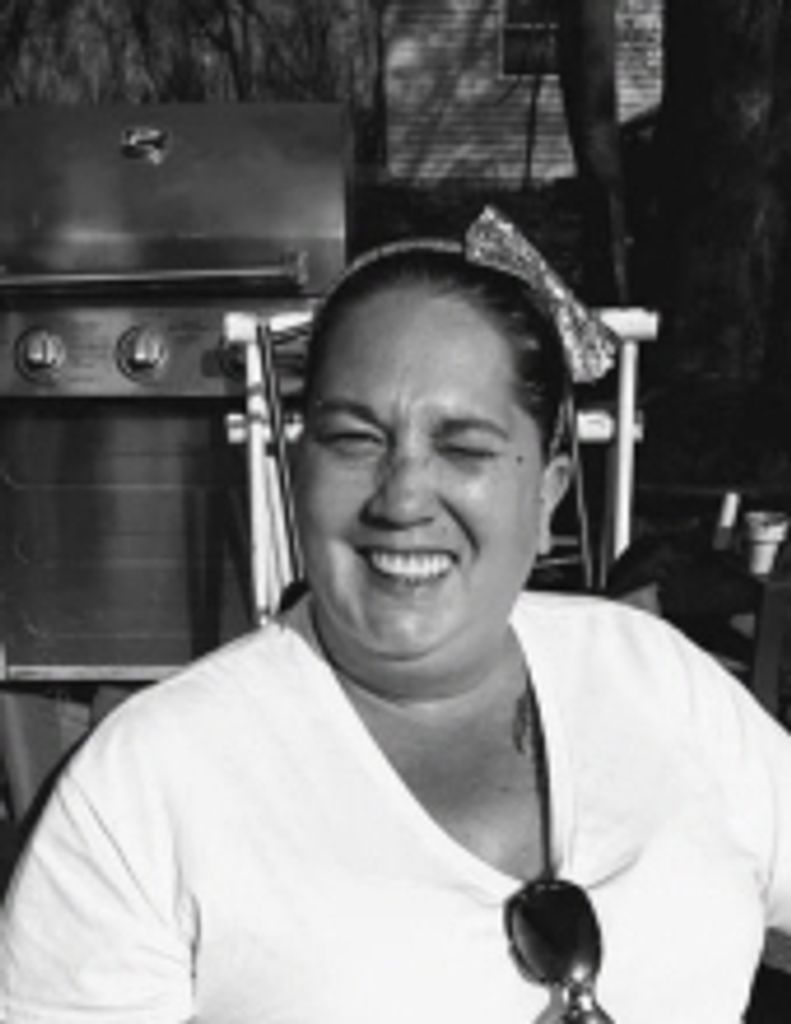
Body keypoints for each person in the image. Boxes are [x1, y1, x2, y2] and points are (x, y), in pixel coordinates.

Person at [2, 208, 791, 1023]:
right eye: (355, 440)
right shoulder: (149, 783)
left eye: (464, 448)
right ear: (298, 472)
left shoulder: (655, 680)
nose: (404, 497)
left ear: (547, 493)